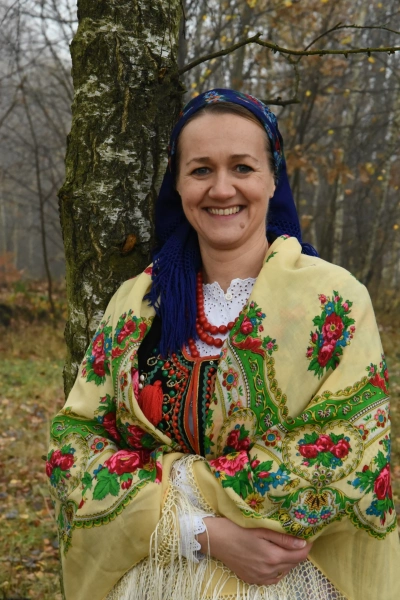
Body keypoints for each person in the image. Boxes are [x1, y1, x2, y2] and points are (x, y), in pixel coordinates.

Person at [47, 89, 400, 600]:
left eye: (242, 167)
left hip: (288, 584)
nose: (221, 188)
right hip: (154, 582)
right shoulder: (136, 304)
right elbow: (72, 448)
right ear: (178, 183)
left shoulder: (333, 301)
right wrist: (200, 534)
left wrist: (162, 486)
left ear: (273, 177)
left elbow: (345, 463)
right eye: (200, 170)